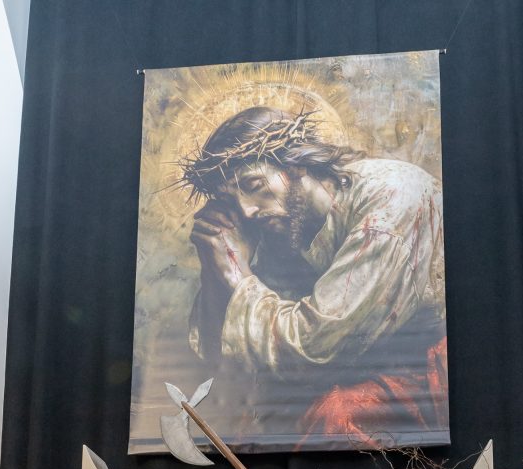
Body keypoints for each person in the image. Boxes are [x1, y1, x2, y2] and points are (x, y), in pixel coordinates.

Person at [181, 106, 448, 449]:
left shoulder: (390, 203)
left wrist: (235, 274)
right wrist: (214, 259)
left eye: (253, 185)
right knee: (260, 421)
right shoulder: (284, 224)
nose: (247, 211)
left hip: (425, 368)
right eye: (233, 201)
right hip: (353, 366)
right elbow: (232, 352)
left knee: (334, 416)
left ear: (296, 166)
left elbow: (314, 348)